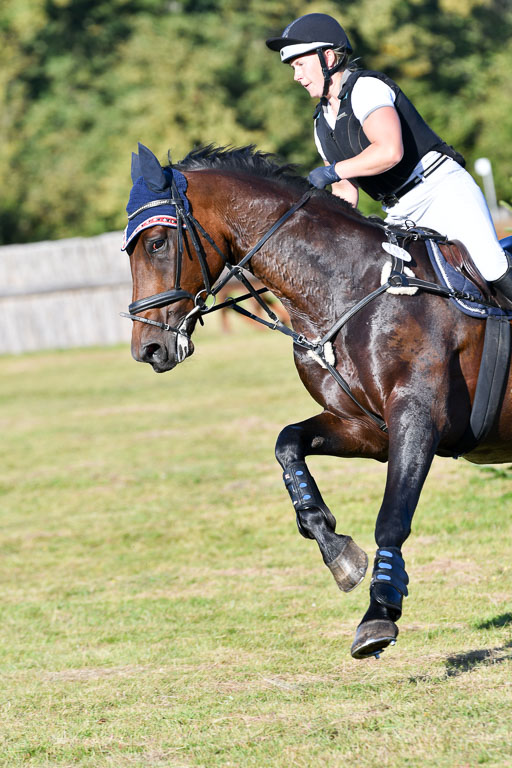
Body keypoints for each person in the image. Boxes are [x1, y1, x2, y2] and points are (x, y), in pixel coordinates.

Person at [266, 13, 512, 307]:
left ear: (328, 58)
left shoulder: (366, 88)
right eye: (294, 68)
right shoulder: (321, 123)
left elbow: (389, 151)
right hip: (399, 212)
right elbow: (345, 191)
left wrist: (333, 170)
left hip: (441, 191)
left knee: (489, 265)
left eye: (300, 65)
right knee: (388, 287)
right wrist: (322, 225)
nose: (296, 76)